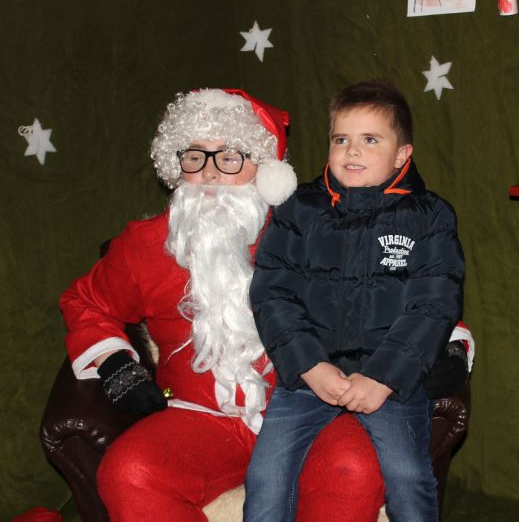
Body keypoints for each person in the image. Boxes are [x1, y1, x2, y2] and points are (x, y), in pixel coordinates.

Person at [60, 88, 474, 522]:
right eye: (194, 157)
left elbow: (415, 293)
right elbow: (86, 302)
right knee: (129, 473)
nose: (210, 173)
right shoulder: (145, 245)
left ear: (264, 167)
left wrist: (450, 347)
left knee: (352, 469)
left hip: (320, 400)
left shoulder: (313, 221)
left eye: (230, 157)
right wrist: (115, 364)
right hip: (202, 418)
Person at [245, 80, 465, 521]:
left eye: (370, 140)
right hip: (309, 375)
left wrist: (383, 378)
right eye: (341, 139)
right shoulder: (298, 209)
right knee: (266, 476)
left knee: (409, 476)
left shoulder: (430, 216)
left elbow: (434, 306)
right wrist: (310, 365)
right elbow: (272, 293)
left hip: (391, 380)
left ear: (402, 154)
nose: (352, 151)